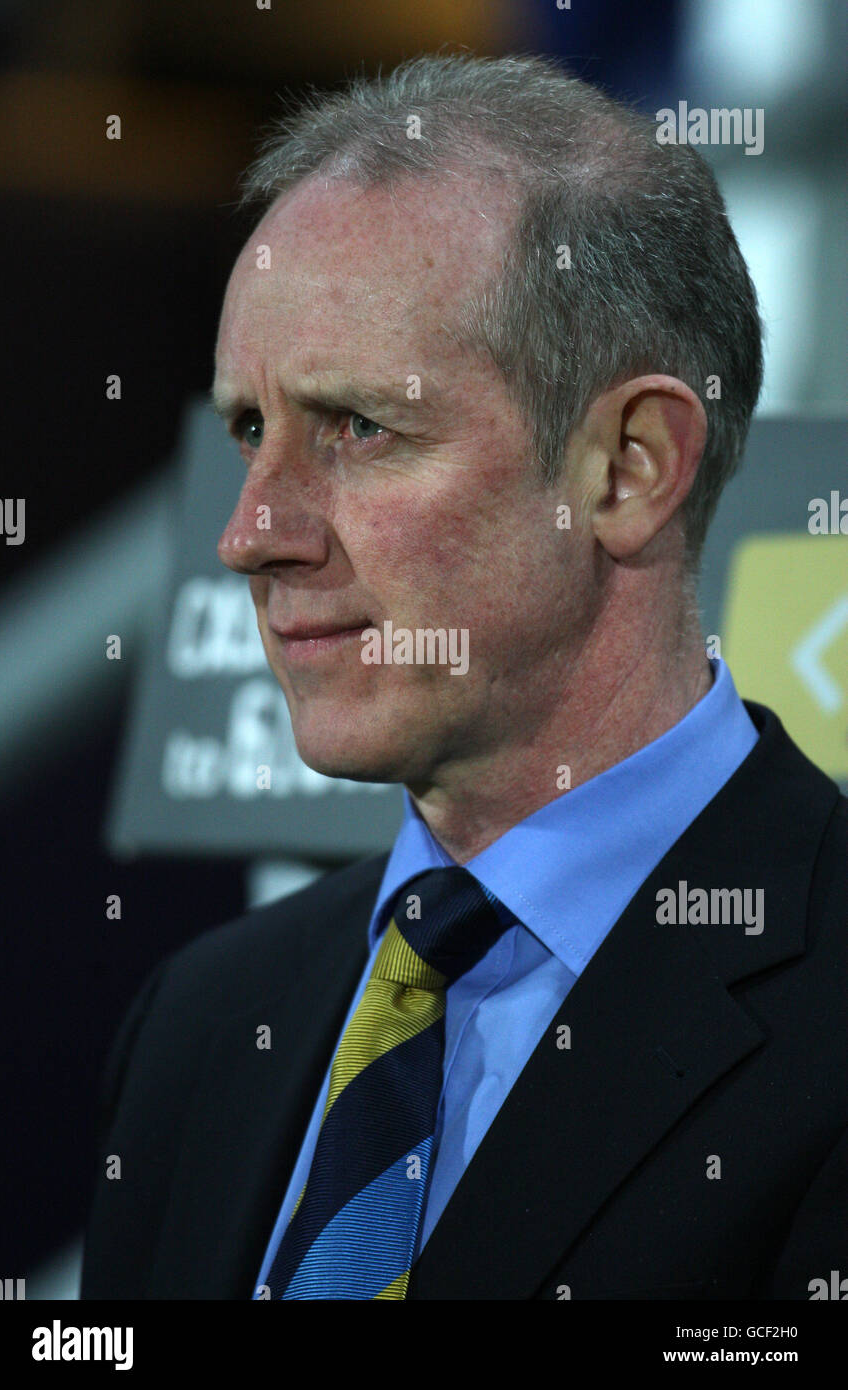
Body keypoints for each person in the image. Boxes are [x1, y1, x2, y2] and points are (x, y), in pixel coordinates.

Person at [80, 53, 848, 1301]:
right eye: (247, 429)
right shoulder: (202, 1023)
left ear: (627, 468)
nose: (251, 531)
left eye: (359, 429)